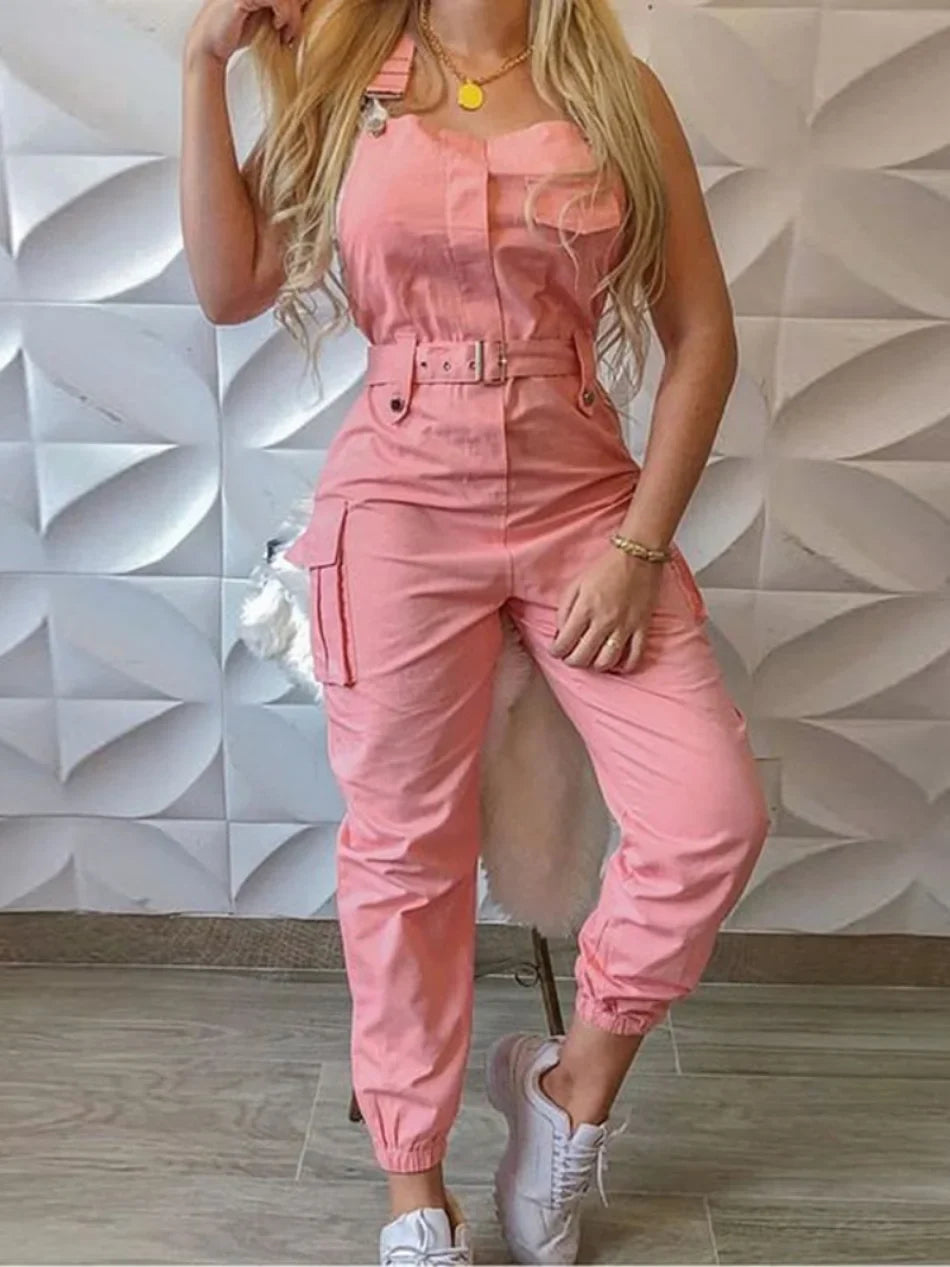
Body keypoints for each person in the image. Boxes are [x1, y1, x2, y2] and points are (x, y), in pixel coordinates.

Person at [181, 1, 770, 1262]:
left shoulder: (616, 91)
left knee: (709, 816)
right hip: (400, 494)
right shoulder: (345, 77)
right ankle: (414, 1190)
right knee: (405, 853)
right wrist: (202, 66)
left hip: (584, 502)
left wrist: (637, 549)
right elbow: (231, 286)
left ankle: (566, 1090)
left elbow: (701, 336)